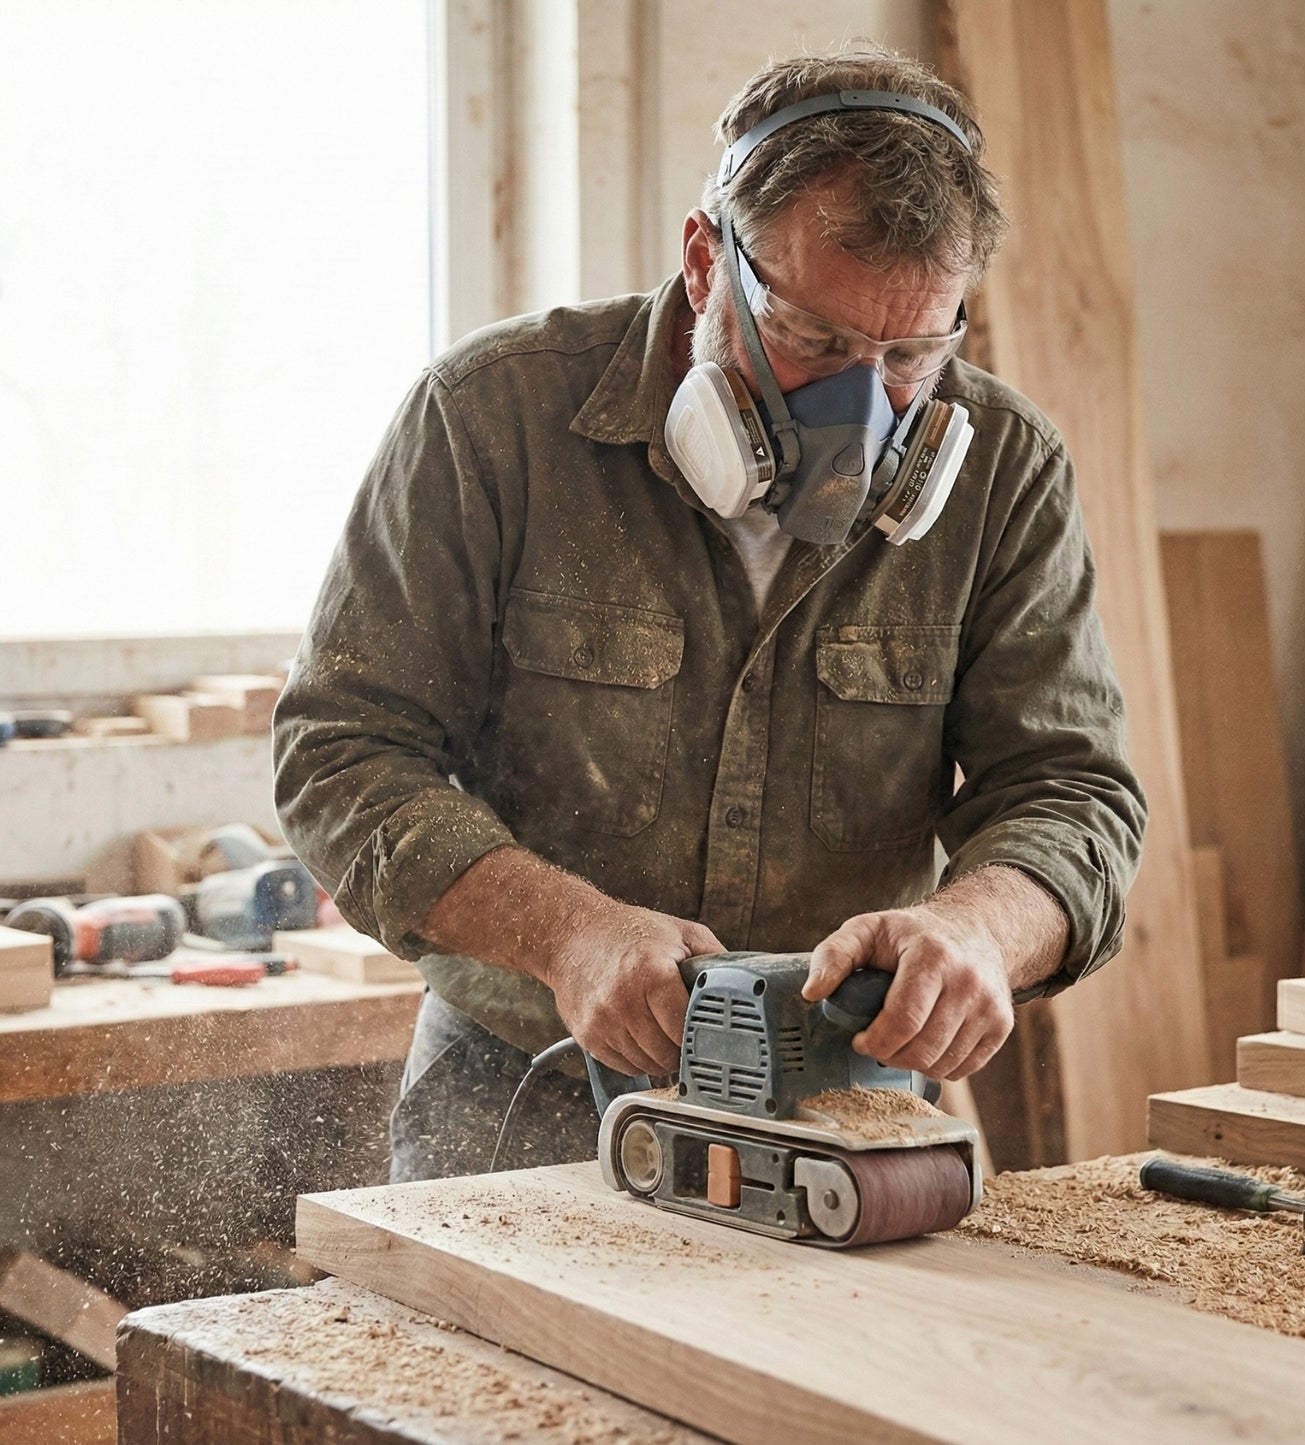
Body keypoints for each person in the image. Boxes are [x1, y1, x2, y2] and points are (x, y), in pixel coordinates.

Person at [273, 45, 1146, 1183]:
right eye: (816, 341)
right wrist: (570, 932)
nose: (859, 406)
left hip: (844, 1104)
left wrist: (982, 924)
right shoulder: (489, 421)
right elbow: (339, 753)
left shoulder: (1004, 472)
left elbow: (1071, 791)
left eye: (909, 355)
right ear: (704, 260)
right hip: (523, 1098)